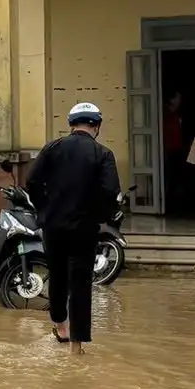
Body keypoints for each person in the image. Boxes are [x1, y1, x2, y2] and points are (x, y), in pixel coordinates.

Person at [27, 101, 121, 353]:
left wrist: (44, 210)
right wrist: (100, 216)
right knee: (80, 282)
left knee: (57, 274)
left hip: (53, 225)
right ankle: (76, 348)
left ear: (71, 125)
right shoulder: (102, 154)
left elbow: (32, 181)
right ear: (96, 126)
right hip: (84, 228)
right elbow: (111, 191)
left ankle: (60, 326)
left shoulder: (52, 148)